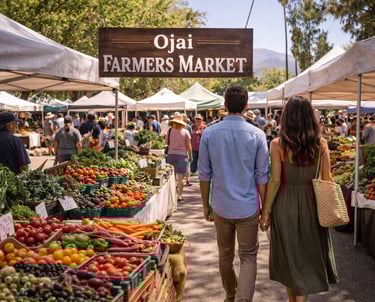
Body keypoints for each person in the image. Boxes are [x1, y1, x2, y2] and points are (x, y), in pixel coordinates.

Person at [260, 96, 338, 302]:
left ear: (287, 118)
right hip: (312, 204)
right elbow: (327, 179)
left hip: (284, 204)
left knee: (289, 256)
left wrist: (265, 212)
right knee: (306, 258)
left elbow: (275, 181)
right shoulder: (321, 144)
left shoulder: (277, 145)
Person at [198, 86, 269, 302]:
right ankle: (241, 299)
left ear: (225, 106)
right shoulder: (257, 134)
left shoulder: (209, 133)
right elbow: (262, 176)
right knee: (248, 257)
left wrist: (205, 205)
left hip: (221, 205)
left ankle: (231, 296)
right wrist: (264, 210)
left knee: (225, 255)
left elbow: (204, 174)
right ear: (247, 106)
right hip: (248, 207)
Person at [165, 113, 192, 201]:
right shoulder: (186, 132)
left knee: (171, 177)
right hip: (182, 156)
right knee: (181, 178)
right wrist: (190, 156)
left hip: (171, 155)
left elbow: (166, 142)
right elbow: (188, 146)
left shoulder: (169, 131)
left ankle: (172, 195)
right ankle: (179, 195)